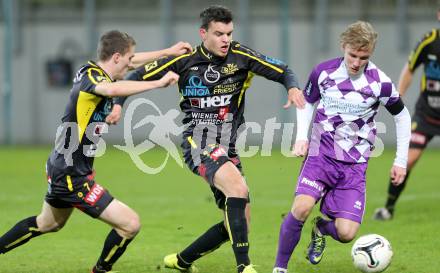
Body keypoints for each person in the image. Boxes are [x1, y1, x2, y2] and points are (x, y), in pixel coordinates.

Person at [113, 5, 301, 273]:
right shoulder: (185, 59)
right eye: (219, 33)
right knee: (238, 190)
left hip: (227, 147)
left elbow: (282, 69)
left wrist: (292, 87)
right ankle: (244, 267)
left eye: (229, 33)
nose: (226, 39)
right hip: (198, 141)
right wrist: (119, 103)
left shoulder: (241, 55)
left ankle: (181, 261)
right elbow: (136, 75)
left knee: (237, 224)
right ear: (203, 34)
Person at [0, 30, 189, 273]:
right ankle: (101, 270)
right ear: (117, 57)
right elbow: (111, 90)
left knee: (47, 224)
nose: (131, 64)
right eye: (128, 59)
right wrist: (157, 83)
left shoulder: (92, 70)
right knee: (130, 224)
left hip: (65, 165)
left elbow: (130, 64)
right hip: (70, 174)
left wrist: (167, 52)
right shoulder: (93, 79)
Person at [272, 21, 412, 273]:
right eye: (352, 55)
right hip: (321, 156)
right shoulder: (323, 72)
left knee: (346, 233)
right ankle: (279, 268)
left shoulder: (380, 82)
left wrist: (401, 161)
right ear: (343, 47)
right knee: (301, 206)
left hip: (354, 166)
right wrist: (302, 137)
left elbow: (402, 116)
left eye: (363, 57)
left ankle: (320, 228)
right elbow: (306, 102)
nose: (357, 62)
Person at [373, 9, 440, 221]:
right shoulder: (429, 41)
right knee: (409, 159)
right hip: (427, 114)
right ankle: (388, 208)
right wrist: (398, 96)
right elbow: (410, 69)